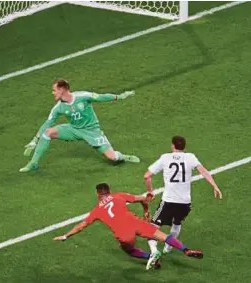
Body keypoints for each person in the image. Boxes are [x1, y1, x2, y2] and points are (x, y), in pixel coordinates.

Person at [53, 183, 203, 270]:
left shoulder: (97, 210)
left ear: (98, 194)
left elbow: (81, 225)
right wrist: (146, 211)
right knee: (164, 237)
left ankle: (149, 256)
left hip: (124, 233)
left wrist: (66, 236)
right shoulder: (119, 196)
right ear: (109, 191)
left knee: (128, 249)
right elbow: (143, 199)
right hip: (136, 222)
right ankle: (186, 249)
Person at [19, 79, 139, 172]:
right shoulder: (58, 107)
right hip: (73, 129)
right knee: (48, 132)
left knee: (112, 157)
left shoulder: (82, 96)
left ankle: (124, 156)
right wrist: (35, 139)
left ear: (62, 90)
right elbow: (48, 122)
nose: (53, 93)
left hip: (91, 131)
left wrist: (119, 96)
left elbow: (101, 97)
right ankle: (33, 163)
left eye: (54, 90)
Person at [144, 136, 222, 255]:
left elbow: (147, 176)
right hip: (185, 202)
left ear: (173, 145)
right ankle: (168, 248)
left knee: (152, 228)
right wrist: (215, 186)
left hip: (168, 201)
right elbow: (203, 170)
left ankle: (154, 251)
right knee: (177, 223)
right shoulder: (190, 157)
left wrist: (150, 191)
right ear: (184, 147)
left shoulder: (165, 158)